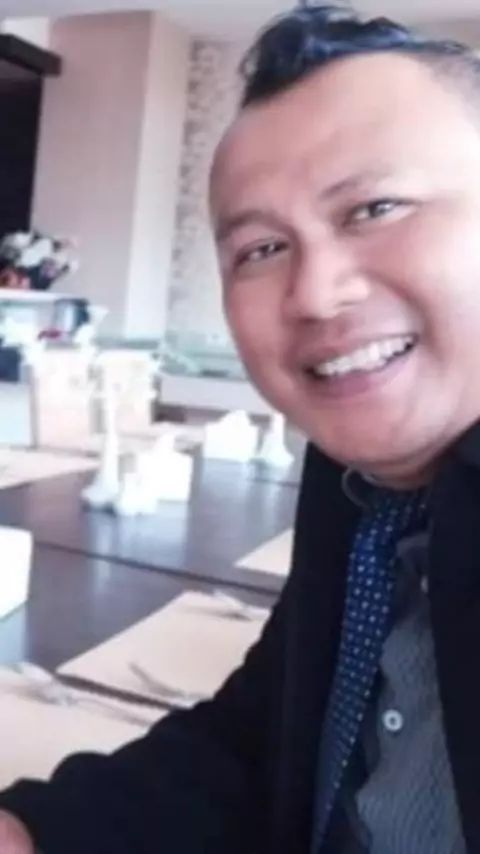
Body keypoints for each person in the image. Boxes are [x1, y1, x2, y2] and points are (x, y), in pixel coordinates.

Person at [2, 3, 480, 851]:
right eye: (261, 250)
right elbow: (262, 743)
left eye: (376, 207)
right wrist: (37, 831)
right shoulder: (361, 492)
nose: (315, 294)